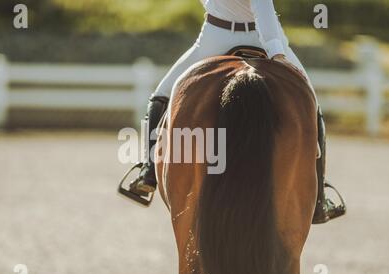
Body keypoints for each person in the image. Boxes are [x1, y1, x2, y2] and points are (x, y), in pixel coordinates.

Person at [128, 0, 346, 224]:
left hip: (217, 37)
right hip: (258, 36)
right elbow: (263, 7)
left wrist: (275, 50)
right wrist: (276, 52)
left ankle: (149, 172)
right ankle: (319, 197)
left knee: (160, 97)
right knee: (311, 102)